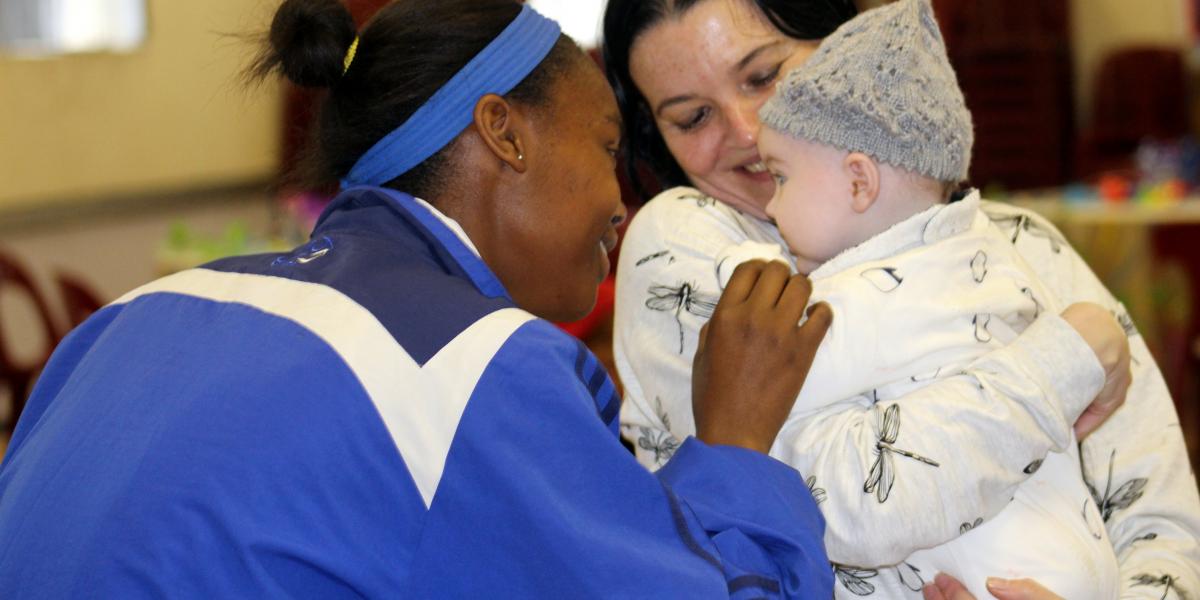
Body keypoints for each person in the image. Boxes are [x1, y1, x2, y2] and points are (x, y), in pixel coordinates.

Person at [0, 1, 839, 597]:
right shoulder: (474, 365)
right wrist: (736, 442)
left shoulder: (136, 313)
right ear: (505, 133)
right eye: (605, 147)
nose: (620, 203)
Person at [602, 0, 1200, 598]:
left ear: (847, 43)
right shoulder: (682, 256)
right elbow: (835, 502)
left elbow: (1159, 520)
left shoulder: (1018, 244)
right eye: (693, 117)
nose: (746, 130)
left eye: (763, 76)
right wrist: (1064, 361)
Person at [714, 0, 1125, 597]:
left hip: (993, 577)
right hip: (1083, 562)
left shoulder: (850, 300)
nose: (771, 206)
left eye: (781, 176)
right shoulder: (998, 256)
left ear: (859, 181)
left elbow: (757, 400)